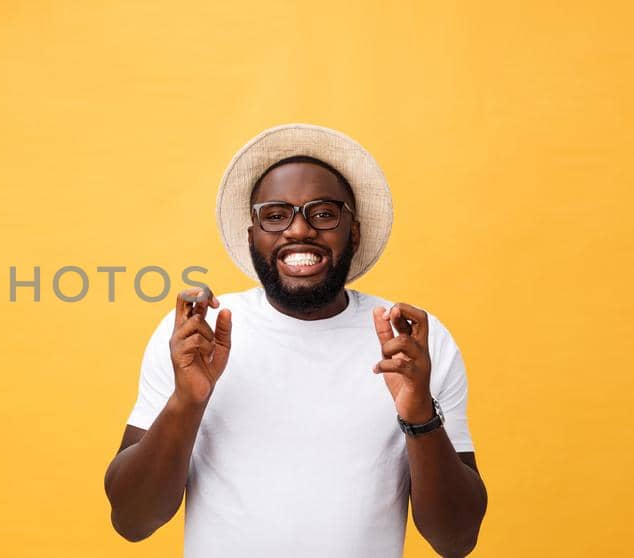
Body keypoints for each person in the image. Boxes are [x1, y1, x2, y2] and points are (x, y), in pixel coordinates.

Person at [103, 124, 488, 557]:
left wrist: (420, 415)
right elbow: (133, 521)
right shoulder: (197, 337)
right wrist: (186, 401)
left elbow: (456, 540)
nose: (299, 230)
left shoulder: (411, 344)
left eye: (323, 213)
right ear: (253, 236)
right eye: (275, 214)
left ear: (354, 232)